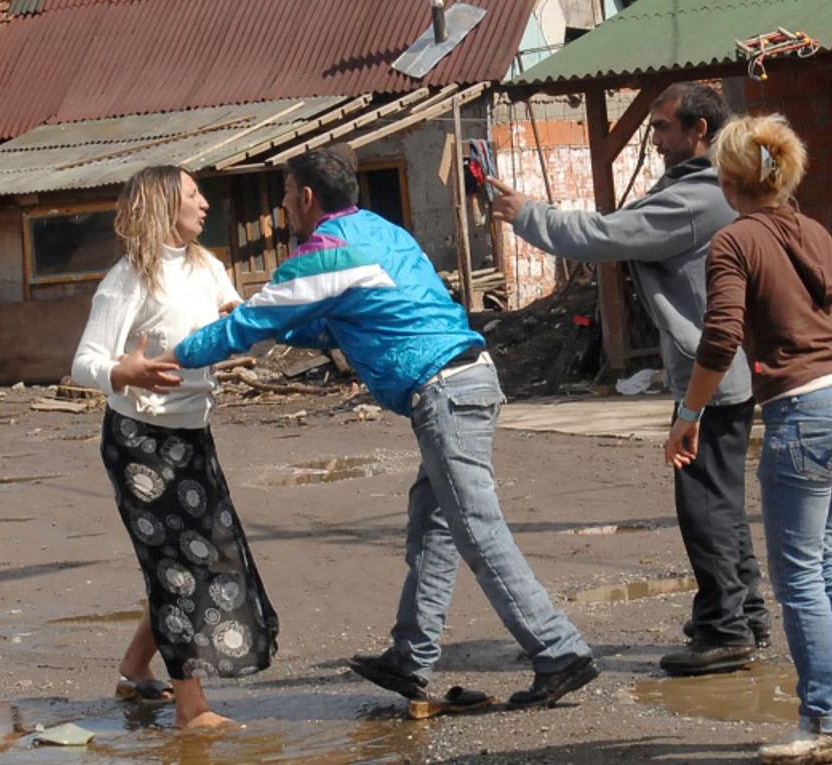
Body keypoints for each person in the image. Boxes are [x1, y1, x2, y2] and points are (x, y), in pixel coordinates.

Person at [172, 147, 597, 708]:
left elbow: (251, 324)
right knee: (435, 527)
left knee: (476, 531)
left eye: (284, 197)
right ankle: (409, 658)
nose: (282, 208)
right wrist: (269, 326)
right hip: (467, 383)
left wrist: (176, 354)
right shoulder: (380, 233)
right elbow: (331, 326)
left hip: (444, 392)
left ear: (306, 197)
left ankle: (558, 650)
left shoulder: (325, 253)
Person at [488, 82, 769, 677]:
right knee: (719, 501)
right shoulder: (700, 189)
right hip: (720, 372)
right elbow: (622, 224)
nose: (655, 138)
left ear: (699, 131)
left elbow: (608, 235)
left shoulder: (697, 199)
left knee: (704, 507)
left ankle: (726, 629)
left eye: (664, 127)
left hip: (708, 376)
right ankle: (744, 615)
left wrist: (528, 215)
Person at [665, 115, 832, 763]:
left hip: (806, 414)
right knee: (824, 558)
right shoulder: (814, 230)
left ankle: (828, 720)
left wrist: (689, 412)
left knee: (798, 575)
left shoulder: (733, 241)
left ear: (726, 178)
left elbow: (719, 337)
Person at [72, 165, 278, 729]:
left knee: (195, 558)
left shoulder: (205, 265)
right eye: (193, 194)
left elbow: (238, 321)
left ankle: (136, 668)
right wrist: (124, 371)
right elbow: (83, 362)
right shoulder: (128, 279)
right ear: (163, 205)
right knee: (177, 568)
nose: (205, 203)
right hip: (139, 445)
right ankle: (193, 709)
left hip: (193, 434)